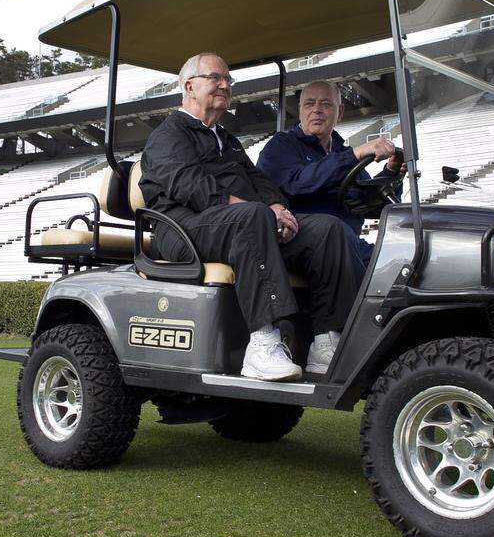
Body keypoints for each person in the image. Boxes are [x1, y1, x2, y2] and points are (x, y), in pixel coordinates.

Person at [139, 53, 365, 381]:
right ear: (189, 86)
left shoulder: (225, 139)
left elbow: (258, 180)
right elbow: (189, 185)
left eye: (228, 80)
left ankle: (325, 341)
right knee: (252, 216)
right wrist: (259, 212)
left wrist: (276, 207)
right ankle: (262, 342)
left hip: (237, 227)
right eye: (216, 78)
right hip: (183, 229)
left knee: (327, 229)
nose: (225, 85)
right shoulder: (168, 135)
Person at [257, 80, 403, 265]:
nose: (317, 110)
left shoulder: (343, 153)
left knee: (400, 262)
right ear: (300, 109)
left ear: (340, 112)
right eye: (310, 103)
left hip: (348, 244)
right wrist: (354, 154)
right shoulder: (281, 146)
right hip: (301, 243)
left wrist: (391, 174)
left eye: (326, 104)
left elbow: (370, 205)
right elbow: (299, 183)